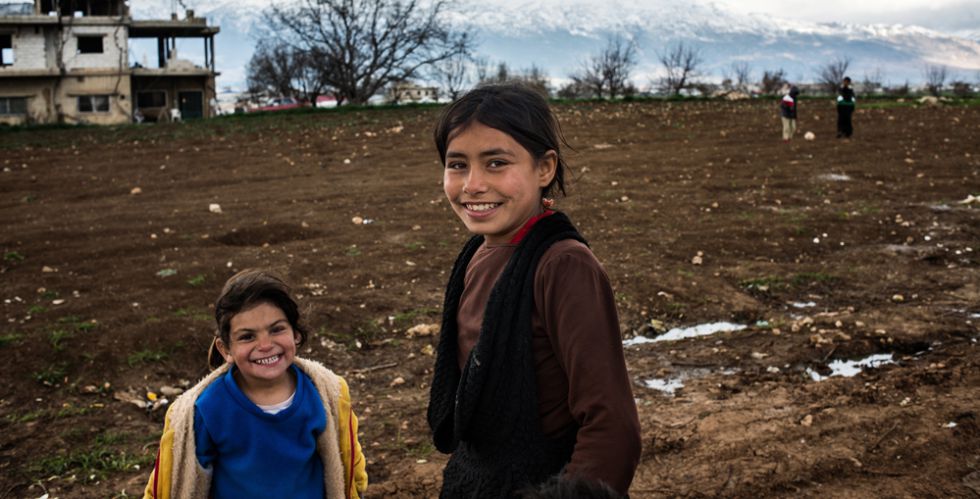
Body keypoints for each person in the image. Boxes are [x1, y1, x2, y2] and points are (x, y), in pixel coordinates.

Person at [427, 83, 642, 498]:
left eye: (495, 163)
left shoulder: (563, 266)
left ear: (544, 168)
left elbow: (612, 426)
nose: (472, 184)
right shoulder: (476, 253)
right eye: (457, 165)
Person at [143, 269, 367, 499]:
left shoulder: (324, 394)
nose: (265, 345)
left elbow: (349, 460)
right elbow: (172, 481)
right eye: (247, 337)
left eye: (277, 329)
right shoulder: (205, 409)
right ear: (225, 349)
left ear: (296, 334)